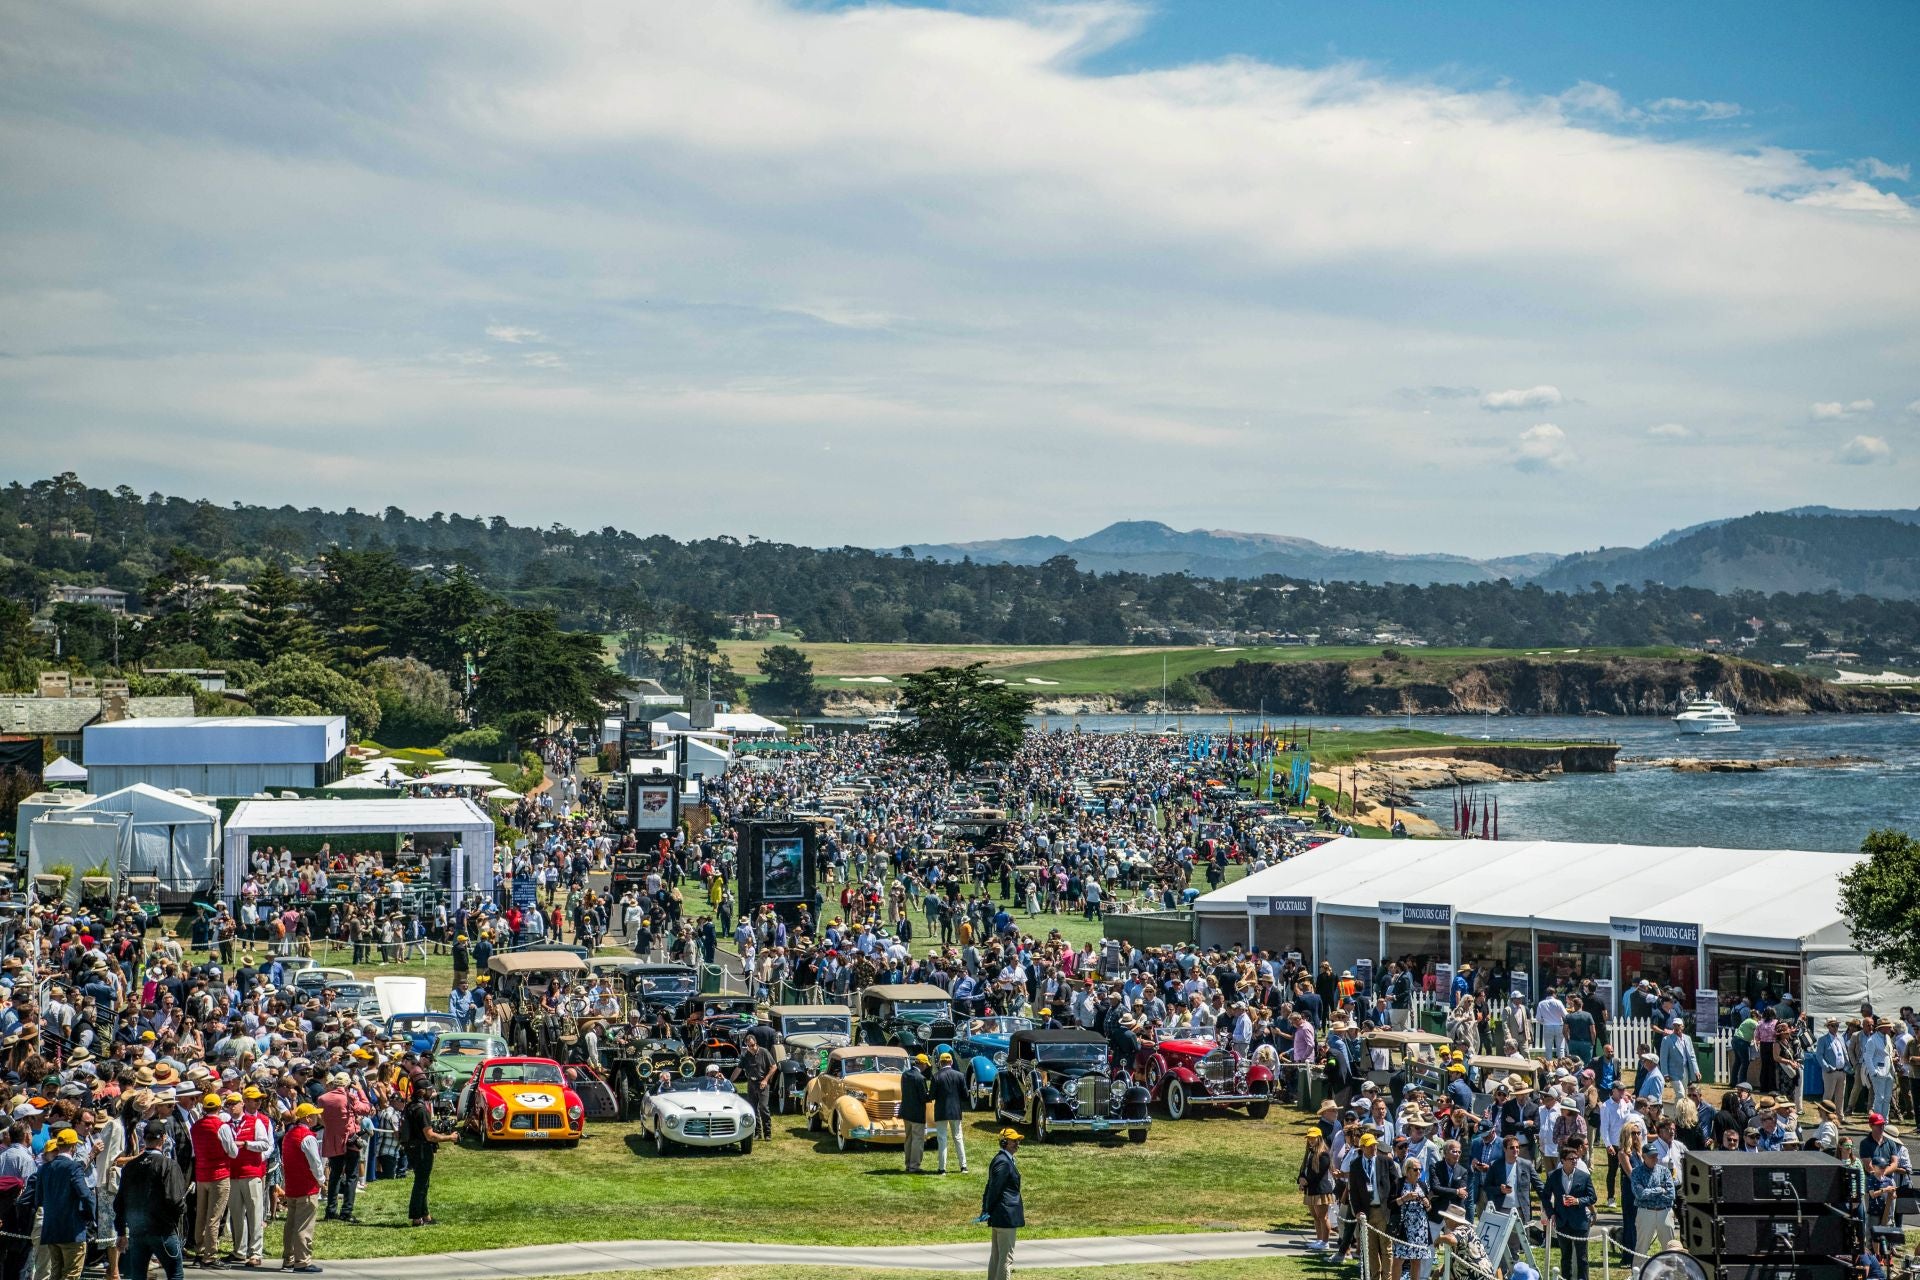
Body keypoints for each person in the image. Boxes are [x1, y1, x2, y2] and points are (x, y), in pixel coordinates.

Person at [114, 1124, 188, 1280]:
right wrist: (176, 1217)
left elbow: (120, 1202)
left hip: (137, 1231)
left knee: (138, 1275)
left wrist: (121, 1231)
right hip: (163, 1229)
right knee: (175, 1273)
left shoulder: (130, 1166)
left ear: (144, 1139)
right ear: (163, 1138)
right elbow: (174, 1199)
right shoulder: (168, 1164)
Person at [27, 1129, 95, 1280]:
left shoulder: (44, 1168)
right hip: (72, 1230)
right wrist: (89, 1217)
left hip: (51, 1229)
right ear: (73, 1146)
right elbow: (86, 1196)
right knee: (71, 1273)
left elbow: (38, 1200)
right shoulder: (73, 1167)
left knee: (55, 1273)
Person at [190, 1092, 237, 1268]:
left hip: (202, 1174)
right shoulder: (221, 1126)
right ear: (219, 1107)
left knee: (200, 1214)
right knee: (214, 1216)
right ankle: (210, 1254)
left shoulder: (196, 1126)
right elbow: (233, 1152)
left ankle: (199, 1251)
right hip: (219, 1174)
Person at [227, 1088, 273, 1268]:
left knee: (255, 1213)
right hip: (233, 1173)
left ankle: (255, 1253)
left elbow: (265, 1144)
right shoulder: (226, 1124)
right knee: (237, 1215)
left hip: (252, 1172)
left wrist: (247, 1144)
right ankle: (239, 1250)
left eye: (234, 1104)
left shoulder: (256, 1122)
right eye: (228, 1104)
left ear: (242, 1104)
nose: (231, 1107)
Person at [279, 1103, 325, 1274]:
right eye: (314, 1115)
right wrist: (321, 1180)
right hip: (306, 1186)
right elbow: (315, 1162)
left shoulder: (289, 1135)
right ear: (307, 1118)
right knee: (304, 1225)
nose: (316, 1117)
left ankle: (289, 1259)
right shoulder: (307, 1137)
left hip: (292, 1185)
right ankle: (302, 1261)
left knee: (291, 1224)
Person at [401, 1088, 455, 1228]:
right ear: (422, 1091)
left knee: (423, 1182)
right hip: (422, 1149)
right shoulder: (421, 1110)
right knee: (420, 1183)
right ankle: (416, 1217)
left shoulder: (409, 1106)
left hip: (411, 1148)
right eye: (430, 1090)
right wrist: (450, 1137)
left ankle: (425, 1215)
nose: (432, 1092)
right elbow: (430, 1135)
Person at [1541, 1147, 1597, 1280]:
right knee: (1565, 1256)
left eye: (1576, 1158)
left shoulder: (1584, 1176)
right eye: (1571, 1159)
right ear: (1562, 1160)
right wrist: (1551, 1213)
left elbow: (1592, 1197)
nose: (1574, 1161)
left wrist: (1578, 1201)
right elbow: (1545, 1197)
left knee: (1582, 1258)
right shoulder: (1553, 1176)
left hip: (1580, 1222)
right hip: (1562, 1221)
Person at [978, 1128, 1024, 1280]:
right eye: (1013, 1140)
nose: (1017, 1143)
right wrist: (987, 1209)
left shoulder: (1002, 1160)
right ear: (1004, 1142)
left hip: (1000, 1216)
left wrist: (986, 1209)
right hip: (1005, 1217)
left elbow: (990, 1187)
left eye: (1018, 1140)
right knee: (1005, 1259)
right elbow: (994, 1188)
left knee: (997, 1257)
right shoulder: (1003, 1162)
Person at [1629, 1142, 1678, 1253]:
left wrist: (1649, 1192)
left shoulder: (1664, 1171)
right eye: (1651, 1156)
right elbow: (1640, 1194)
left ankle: (1670, 1270)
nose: (1654, 1158)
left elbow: (1671, 1194)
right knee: (1641, 1247)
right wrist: (1660, 1190)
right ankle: (1639, 1270)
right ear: (1644, 1157)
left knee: (1670, 1247)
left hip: (1664, 1212)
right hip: (1645, 1212)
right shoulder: (1636, 1172)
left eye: (1656, 1156)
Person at [1393, 1157, 1434, 1280]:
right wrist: (1405, 1198)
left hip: (1420, 1229)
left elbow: (1429, 1209)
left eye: (1420, 1170)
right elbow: (1391, 1204)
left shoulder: (1422, 1184)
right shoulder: (1398, 1183)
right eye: (1415, 1170)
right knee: (1398, 1259)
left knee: (1416, 1261)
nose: (1419, 1173)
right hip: (1403, 1228)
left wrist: (1427, 1204)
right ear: (1407, 1170)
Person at [1297, 1130, 1336, 1251]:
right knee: (1315, 1216)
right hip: (1311, 1190)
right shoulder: (1310, 1153)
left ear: (1319, 1138)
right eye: (1309, 1138)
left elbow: (1319, 1173)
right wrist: (1300, 1179)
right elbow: (1304, 1169)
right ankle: (1319, 1239)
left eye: (1313, 1138)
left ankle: (1325, 1242)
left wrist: (1306, 1181)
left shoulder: (1324, 1154)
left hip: (1321, 1190)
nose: (1310, 1140)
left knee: (1323, 1217)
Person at [931, 1051, 969, 1174]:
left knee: (942, 1139)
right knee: (958, 1138)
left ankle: (942, 1168)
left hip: (941, 1111)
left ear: (940, 1063)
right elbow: (965, 1095)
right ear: (951, 1062)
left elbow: (932, 1095)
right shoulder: (959, 1075)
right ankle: (963, 1166)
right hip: (955, 1111)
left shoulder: (936, 1076)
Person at [900, 1055, 930, 1175]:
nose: (926, 1067)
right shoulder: (920, 1078)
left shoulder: (905, 1075)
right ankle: (914, 1166)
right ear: (922, 1064)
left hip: (906, 1112)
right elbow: (923, 1097)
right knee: (917, 1140)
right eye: (926, 1065)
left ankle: (908, 1164)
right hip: (917, 1114)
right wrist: (931, 1095)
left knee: (908, 1139)